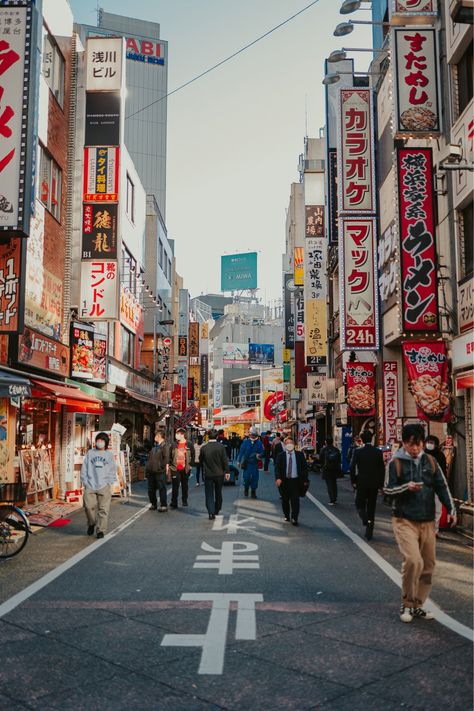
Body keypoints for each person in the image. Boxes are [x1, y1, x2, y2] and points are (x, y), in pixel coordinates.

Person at [384, 424, 456, 624]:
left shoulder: (431, 462)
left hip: (427, 521)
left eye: (418, 445)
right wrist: (406, 487)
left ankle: (418, 604)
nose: (414, 449)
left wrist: (451, 509)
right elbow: (388, 493)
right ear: (404, 443)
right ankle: (406, 603)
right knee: (414, 560)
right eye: (410, 445)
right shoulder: (396, 463)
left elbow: (442, 486)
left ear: (423, 443)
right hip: (404, 519)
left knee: (428, 565)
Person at [349, 430, 385, 540]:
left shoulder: (358, 451)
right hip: (374, 483)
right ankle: (369, 532)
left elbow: (352, 467)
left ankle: (365, 519)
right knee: (371, 507)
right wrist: (380, 484)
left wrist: (353, 481)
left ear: (362, 440)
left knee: (359, 503)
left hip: (361, 482)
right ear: (372, 439)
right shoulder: (378, 452)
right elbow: (381, 469)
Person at [80, 432, 117, 539]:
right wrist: (85, 481)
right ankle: (91, 523)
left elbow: (112, 470)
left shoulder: (109, 455)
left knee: (103, 509)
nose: (100, 442)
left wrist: (110, 483)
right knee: (88, 507)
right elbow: (84, 468)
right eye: (98, 440)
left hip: (104, 485)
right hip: (90, 485)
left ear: (106, 443)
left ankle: (101, 530)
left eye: (102, 440)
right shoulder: (90, 453)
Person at [274, 437, 309, 526]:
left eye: (291, 443)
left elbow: (305, 468)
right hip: (284, 481)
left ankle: (294, 518)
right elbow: (277, 468)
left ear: (294, 445)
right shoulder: (280, 456)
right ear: (285, 445)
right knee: (285, 500)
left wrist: (304, 479)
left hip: (295, 481)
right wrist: (278, 478)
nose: (289, 445)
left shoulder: (299, 455)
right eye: (287, 443)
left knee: (295, 501)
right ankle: (286, 515)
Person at [199, 429, 230, 519]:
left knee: (209, 493)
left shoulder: (204, 448)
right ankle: (217, 508)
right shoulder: (221, 447)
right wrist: (227, 471)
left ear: (208, 436)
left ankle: (211, 512)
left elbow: (201, 460)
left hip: (208, 474)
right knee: (218, 492)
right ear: (217, 436)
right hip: (219, 474)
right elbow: (225, 460)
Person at [145, 428, 169, 512]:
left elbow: (166, 458)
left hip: (159, 471)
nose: (155, 436)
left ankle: (163, 505)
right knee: (151, 489)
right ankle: (153, 503)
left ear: (159, 436)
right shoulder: (155, 446)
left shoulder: (164, 446)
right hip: (151, 471)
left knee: (162, 488)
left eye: (156, 435)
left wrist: (162, 467)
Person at [169, 428, 194, 508]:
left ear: (182, 434)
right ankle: (174, 502)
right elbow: (170, 455)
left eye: (177, 434)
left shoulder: (189, 444)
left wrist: (190, 465)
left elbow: (193, 455)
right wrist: (169, 465)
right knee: (175, 486)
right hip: (175, 468)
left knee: (184, 485)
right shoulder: (174, 444)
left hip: (185, 468)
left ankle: (184, 500)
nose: (176, 435)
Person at [238, 427, 264, 498]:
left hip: (254, 464)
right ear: (250, 435)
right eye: (252, 435)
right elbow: (241, 452)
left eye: (254, 435)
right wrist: (239, 461)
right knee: (246, 478)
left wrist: (260, 455)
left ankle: (253, 491)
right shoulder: (245, 442)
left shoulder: (259, 443)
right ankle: (246, 488)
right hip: (247, 464)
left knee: (255, 478)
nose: (253, 436)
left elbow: (262, 452)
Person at [319, 436, 342, 505]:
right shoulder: (336, 449)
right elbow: (339, 459)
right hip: (335, 469)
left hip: (327, 469)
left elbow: (321, 459)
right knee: (334, 483)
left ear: (326, 442)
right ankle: (335, 497)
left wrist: (323, 466)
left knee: (329, 484)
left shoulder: (323, 449)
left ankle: (332, 499)